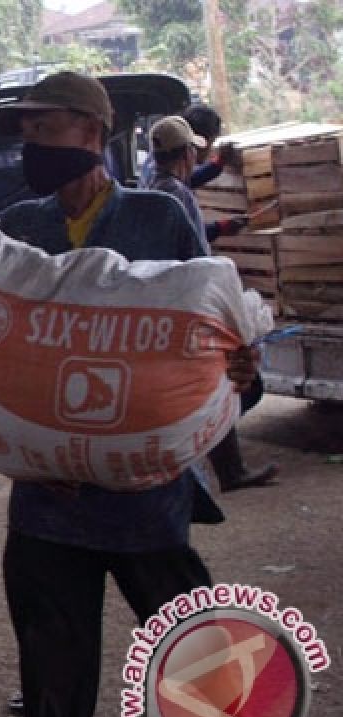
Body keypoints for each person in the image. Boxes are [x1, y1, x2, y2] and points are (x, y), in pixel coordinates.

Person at [0, 72, 266, 717]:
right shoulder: (18, 230)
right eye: (25, 134)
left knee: (188, 628)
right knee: (51, 654)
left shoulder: (159, 217)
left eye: (44, 129)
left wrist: (241, 367)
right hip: (48, 498)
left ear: (90, 132)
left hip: (143, 493)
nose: (31, 146)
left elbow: (209, 331)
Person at [144, 116, 279, 492]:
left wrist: (223, 222)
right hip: (193, 300)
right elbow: (195, 247)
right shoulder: (178, 194)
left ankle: (226, 467)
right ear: (187, 152)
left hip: (168, 300)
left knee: (213, 382)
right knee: (231, 382)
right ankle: (224, 468)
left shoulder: (153, 183)